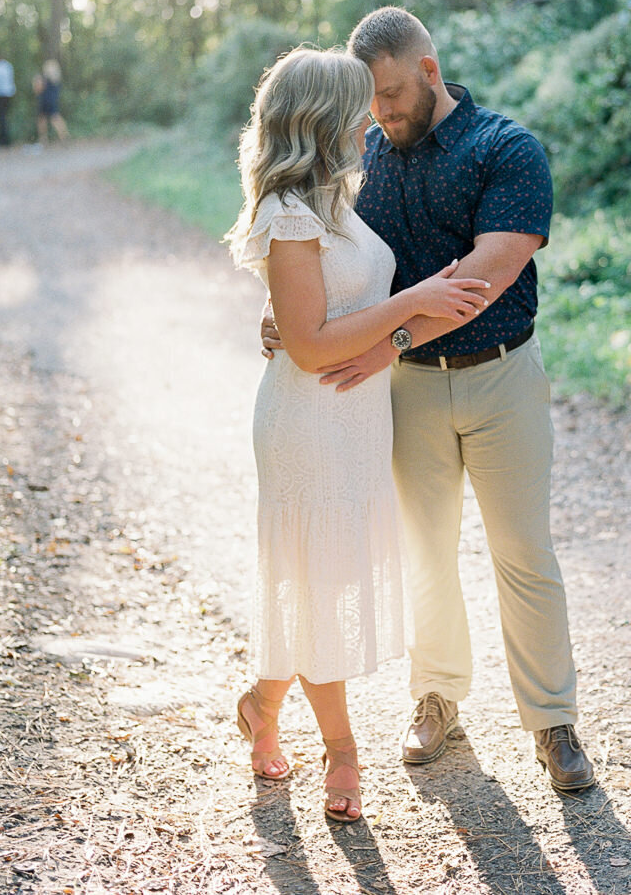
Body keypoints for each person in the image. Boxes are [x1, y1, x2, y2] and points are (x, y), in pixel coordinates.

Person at [261, 8, 595, 794]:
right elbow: (320, 254)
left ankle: (553, 723)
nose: (380, 112)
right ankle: (437, 699)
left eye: (391, 93)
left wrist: (392, 341)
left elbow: (485, 272)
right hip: (400, 391)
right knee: (425, 551)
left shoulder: (506, 149)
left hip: (501, 372)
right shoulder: (357, 157)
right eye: (368, 99)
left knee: (523, 553)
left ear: (431, 71)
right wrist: (287, 313)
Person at [227, 46, 489, 822]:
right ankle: (342, 753)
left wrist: (380, 313)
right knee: (318, 585)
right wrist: (417, 299)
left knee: (322, 582)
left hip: (357, 416)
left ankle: (261, 702)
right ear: (323, 118)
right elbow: (309, 344)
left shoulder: (338, 197)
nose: (371, 117)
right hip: (307, 421)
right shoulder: (287, 211)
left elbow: (317, 314)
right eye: (357, 105)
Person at [35, 59, 69, 144]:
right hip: (51, 100)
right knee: (48, 119)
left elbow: (38, 89)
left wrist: (37, 81)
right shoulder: (55, 79)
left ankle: (46, 139)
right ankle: (63, 138)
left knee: (52, 119)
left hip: (46, 101)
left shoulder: (46, 79)